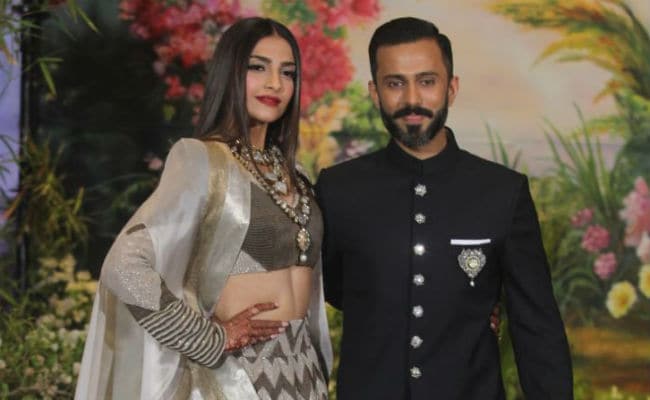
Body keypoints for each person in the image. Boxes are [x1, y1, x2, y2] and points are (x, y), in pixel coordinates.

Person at [316, 17, 573, 399]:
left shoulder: (503, 191)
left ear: (451, 88)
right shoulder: (337, 189)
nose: (412, 100)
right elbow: (338, 289)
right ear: (374, 92)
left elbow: (537, 330)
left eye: (427, 81)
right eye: (395, 83)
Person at [75, 17, 331, 400]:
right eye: (257, 67)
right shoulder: (202, 160)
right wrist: (207, 338)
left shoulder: (295, 171)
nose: (275, 83)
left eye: (287, 72)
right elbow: (123, 265)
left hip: (303, 377)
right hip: (236, 378)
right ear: (230, 72)